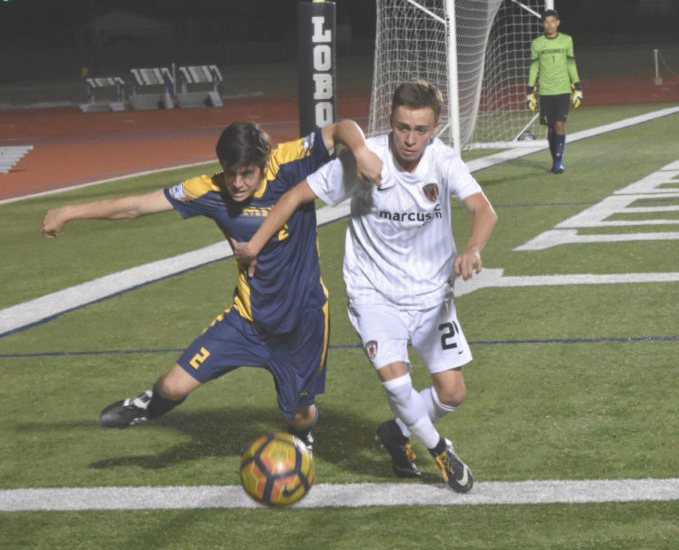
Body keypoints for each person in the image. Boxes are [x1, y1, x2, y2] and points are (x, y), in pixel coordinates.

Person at [41, 119, 382, 449]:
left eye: (246, 172)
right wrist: (69, 211)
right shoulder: (209, 188)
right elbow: (135, 207)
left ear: (263, 163)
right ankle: (148, 406)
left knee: (298, 414)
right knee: (172, 387)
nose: (236, 182)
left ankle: (302, 434)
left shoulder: (289, 163)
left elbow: (341, 128)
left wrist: (361, 150)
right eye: (230, 171)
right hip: (247, 321)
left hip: (303, 322)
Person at [233, 80, 497, 493]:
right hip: (373, 294)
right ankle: (439, 448)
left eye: (421, 130)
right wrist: (253, 245)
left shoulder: (444, 161)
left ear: (436, 127)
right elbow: (297, 194)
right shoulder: (364, 159)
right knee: (396, 383)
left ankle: (397, 432)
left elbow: (483, 209)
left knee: (452, 394)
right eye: (403, 127)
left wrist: (473, 248)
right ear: (390, 121)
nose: (410, 139)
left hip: (432, 297)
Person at [526, 8, 582, 174]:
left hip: (563, 89)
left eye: (552, 21)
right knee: (550, 127)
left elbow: (571, 63)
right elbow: (534, 67)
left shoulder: (566, 40)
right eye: (546, 22)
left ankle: (558, 162)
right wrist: (530, 91)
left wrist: (577, 87)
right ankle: (555, 160)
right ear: (542, 24)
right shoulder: (537, 43)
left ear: (557, 23)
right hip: (545, 91)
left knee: (559, 124)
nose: (550, 25)